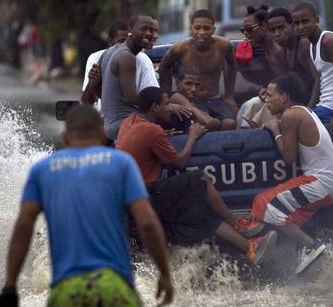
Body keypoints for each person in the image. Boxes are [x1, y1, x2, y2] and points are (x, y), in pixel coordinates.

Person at [0, 105, 174, 307]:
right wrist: (164, 274)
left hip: (67, 292)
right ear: (102, 133)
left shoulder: (42, 170)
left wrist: (10, 286)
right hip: (114, 287)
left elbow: (23, 226)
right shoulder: (121, 164)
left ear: (65, 137)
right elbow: (147, 223)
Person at [116, 86, 277, 266]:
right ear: (154, 108)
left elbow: (142, 144)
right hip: (149, 194)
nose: (170, 108)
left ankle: (250, 248)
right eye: (166, 104)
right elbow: (178, 162)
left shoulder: (129, 122)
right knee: (200, 179)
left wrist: (164, 136)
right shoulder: (152, 131)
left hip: (129, 201)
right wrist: (193, 135)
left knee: (200, 216)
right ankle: (236, 223)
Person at [239, 73, 333, 275]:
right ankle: (301, 250)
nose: (266, 101)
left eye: (270, 96)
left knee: (265, 204)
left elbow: (289, 158)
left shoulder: (290, 116)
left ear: (284, 97)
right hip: (326, 184)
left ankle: (310, 245)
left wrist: (274, 129)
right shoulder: (303, 111)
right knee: (272, 209)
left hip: (319, 183)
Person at [159, 9, 238, 118]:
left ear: (213, 30)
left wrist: (229, 96)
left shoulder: (224, 46)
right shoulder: (180, 48)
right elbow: (164, 67)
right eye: (197, 28)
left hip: (215, 99)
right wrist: (168, 96)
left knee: (230, 123)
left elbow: (232, 65)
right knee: (201, 124)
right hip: (190, 101)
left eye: (206, 28)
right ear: (191, 29)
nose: (201, 32)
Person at [292, 2, 333, 135]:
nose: (301, 27)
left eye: (305, 22)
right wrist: (309, 109)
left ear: (316, 20)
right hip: (325, 104)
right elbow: (318, 82)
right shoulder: (310, 45)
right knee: (295, 116)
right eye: (296, 23)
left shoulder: (328, 41)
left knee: (294, 124)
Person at [81, 20, 159, 112]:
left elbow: (152, 95)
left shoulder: (142, 59)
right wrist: (92, 83)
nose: (125, 45)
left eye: (128, 40)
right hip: (105, 119)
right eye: (121, 41)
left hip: (134, 119)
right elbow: (86, 101)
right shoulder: (97, 58)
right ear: (110, 42)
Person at [236, 5, 288, 128]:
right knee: (248, 106)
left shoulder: (277, 50)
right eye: (243, 31)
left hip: (285, 100)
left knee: (250, 107)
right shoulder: (265, 48)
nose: (246, 35)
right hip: (275, 96)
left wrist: (270, 93)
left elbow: (287, 82)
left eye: (250, 30)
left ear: (264, 27)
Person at [169, 65, 236, 131]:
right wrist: (214, 121)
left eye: (197, 85)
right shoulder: (176, 97)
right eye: (188, 84)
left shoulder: (197, 101)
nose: (193, 89)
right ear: (177, 83)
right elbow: (207, 122)